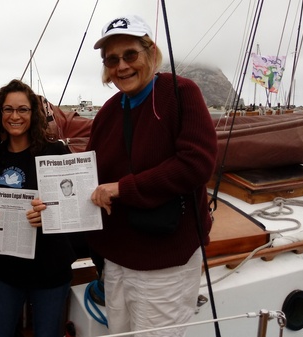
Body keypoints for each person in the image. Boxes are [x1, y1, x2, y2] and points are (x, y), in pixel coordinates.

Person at [86, 15, 218, 337]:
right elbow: (88, 173)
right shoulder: (108, 111)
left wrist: (123, 189)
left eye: (130, 54)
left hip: (164, 263)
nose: (122, 66)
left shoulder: (181, 93)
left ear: (150, 52)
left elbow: (196, 163)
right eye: (112, 59)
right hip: (117, 259)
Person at [0, 79, 77, 337]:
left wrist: (49, 214)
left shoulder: (55, 152)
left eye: (22, 109)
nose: (15, 116)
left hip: (50, 267)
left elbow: (72, 204)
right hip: (6, 269)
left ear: (34, 113)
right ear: (0, 114)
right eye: (8, 109)